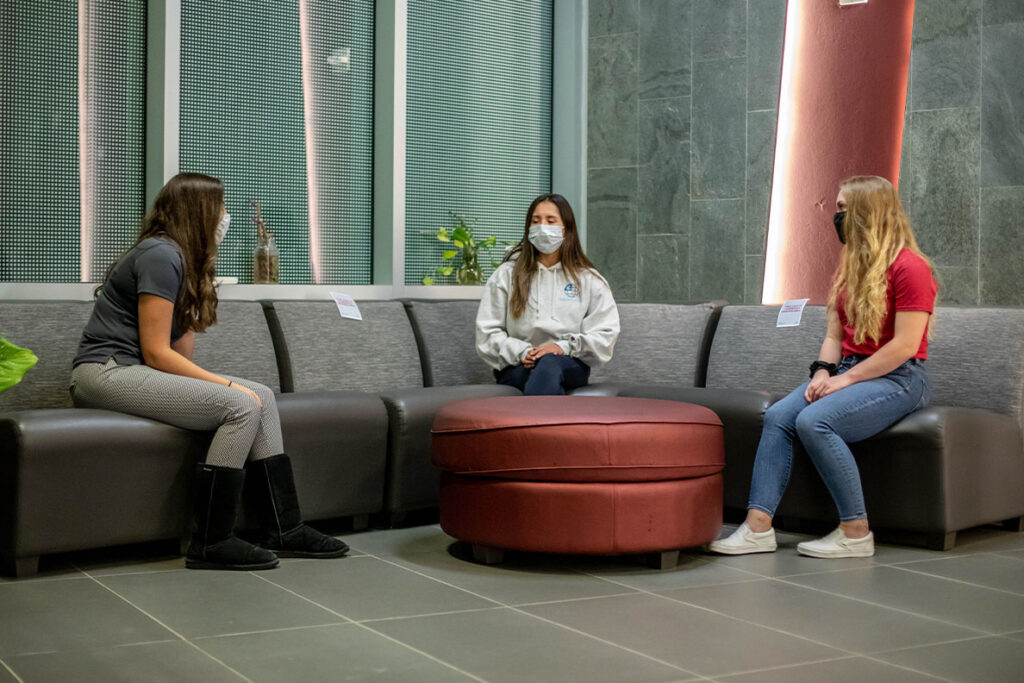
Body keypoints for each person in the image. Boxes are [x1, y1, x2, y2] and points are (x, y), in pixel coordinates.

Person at [70, 172, 348, 571]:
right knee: (240, 404)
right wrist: (229, 386)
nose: (226, 217)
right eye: (220, 208)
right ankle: (211, 540)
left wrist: (198, 289)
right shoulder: (159, 255)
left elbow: (178, 349)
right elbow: (155, 354)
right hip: (104, 372)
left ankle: (284, 528)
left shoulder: (180, 259)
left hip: (132, 370)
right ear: (198, 212)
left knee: (263, 396)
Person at [711, 175, 938, 559]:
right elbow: (835, 337)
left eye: (842, 209)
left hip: (899, 377)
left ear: (868, 213)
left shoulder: (910, 267)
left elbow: (904, 346)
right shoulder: (849, 268)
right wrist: (822, 373)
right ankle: (758, 527)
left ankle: (855, 532)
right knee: (779, 415)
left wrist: (844, 380)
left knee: (815, 420)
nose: (836, 216)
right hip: (849, 369)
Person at [475, 194, 620, 395]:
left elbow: (605, 334)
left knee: (549, 365)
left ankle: (531, 424)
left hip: (568, 362)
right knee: (541, 373)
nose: (542, 227)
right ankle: (552, 424)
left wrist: (562, 347)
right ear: (528, 229)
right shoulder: (506, 275)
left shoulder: (588, 278)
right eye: (536, 221)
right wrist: (522, 352)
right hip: (517, 364)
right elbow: (488, 334)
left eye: (550, 221)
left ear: (566, 229)